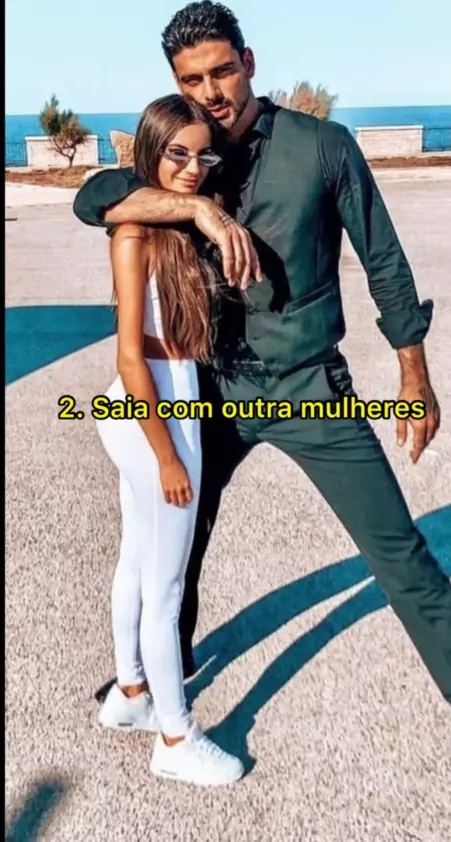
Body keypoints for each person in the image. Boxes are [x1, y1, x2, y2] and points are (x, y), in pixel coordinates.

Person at [74, 1, 451, 752]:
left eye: (222, 71)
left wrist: (414, 375)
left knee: (401, 557)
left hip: (310, 388)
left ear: (249, 63)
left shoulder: (323, 147)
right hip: (213, 389)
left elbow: (385, 262)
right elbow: (93, 197)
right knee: (179, 539)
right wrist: (202, 212)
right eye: (192, 80)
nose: (211, 92)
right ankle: (164, 674)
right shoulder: (184, 159)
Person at [92, 92, 245, 786]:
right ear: (151, 151)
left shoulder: (172, 225)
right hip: (153, 407)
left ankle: (131, 694)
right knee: (167, 584)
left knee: (137, 558)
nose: (190, 168)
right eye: (176, 153)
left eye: (201, 156)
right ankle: (175, 739)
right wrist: (166, 456)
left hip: (154, 401)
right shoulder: (133, 231)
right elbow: (131, 357)